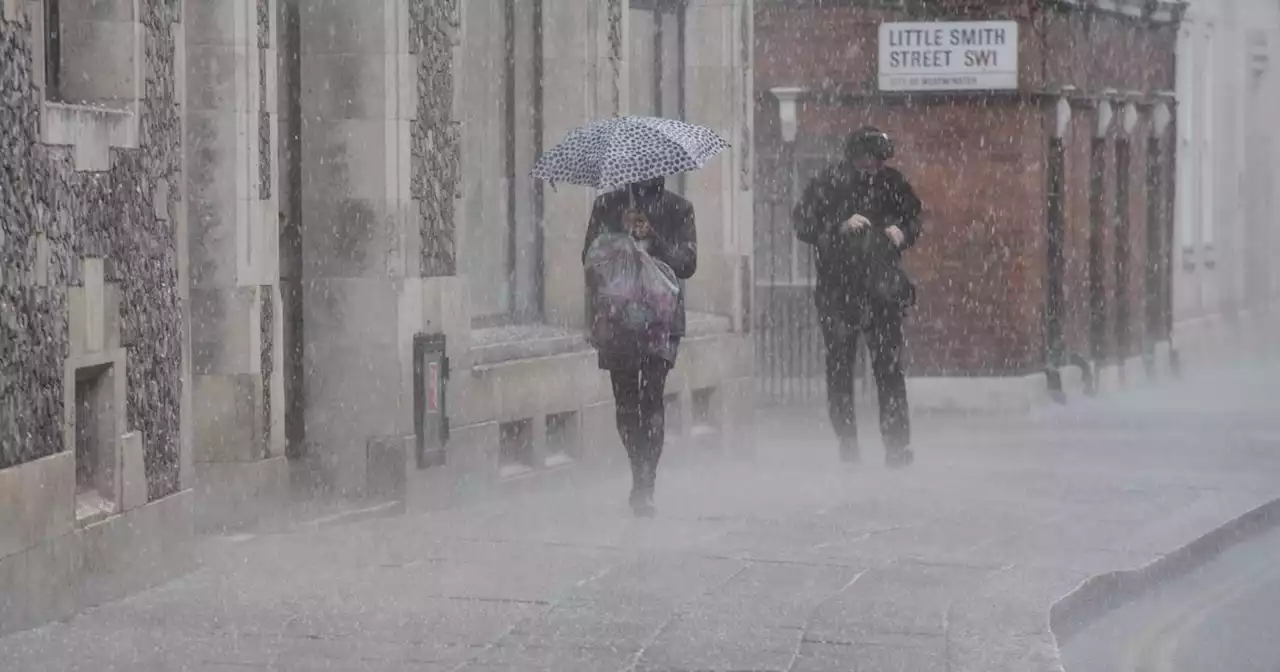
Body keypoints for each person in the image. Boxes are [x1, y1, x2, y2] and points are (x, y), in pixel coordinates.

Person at [793, 127, 923, 468]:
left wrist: (903, 232)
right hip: (839, 291)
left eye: (877, 161)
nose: (871, 167)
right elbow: (802, 223)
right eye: (866, 160)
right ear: (852, 158)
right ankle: (847, 440)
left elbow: (914, 217)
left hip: (882, 290)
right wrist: (839, 225)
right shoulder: (829, 183)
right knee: (840, 369)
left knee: (889, 369)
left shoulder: (893, 183)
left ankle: (896, 445)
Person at [583, 176, 697, 517]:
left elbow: (688, 264)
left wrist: (654, 238)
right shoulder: (608, 204)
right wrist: (620, 237)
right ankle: (637, 465)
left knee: (651, 399)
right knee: (625, 403)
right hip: (617, 320)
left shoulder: (679, 208)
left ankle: (645, 483)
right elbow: (589, 259)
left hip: (660, 323)